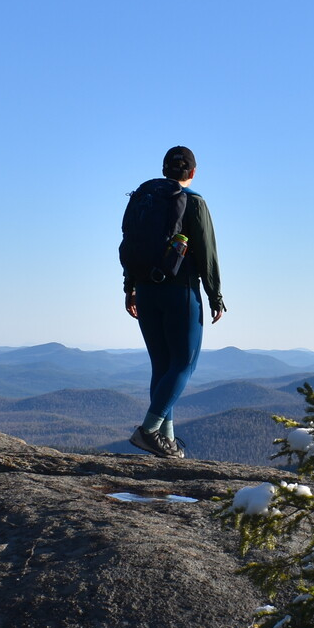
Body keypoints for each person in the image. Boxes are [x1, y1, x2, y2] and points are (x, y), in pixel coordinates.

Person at [123, 145, 224, 457]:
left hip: (145, 288)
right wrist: (214, 294)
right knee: (184, 363)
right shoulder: (193, 201)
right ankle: (149, 430)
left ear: (165, 169)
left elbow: (130, 243)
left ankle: (165, 440)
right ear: (192, 173)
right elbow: (206, 251)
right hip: (180, 290)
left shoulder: (144, 199)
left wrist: (130, 288)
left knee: (162, 365)